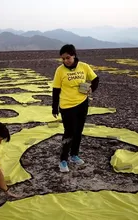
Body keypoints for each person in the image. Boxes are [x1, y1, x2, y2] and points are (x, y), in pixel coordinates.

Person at [52, 44, 99, 172]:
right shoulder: (60, 70)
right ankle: (63, 160)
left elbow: (95, 79)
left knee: (78, 131)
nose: (65, 61)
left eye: (68, 58)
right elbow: (56, 90)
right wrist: (54, 107)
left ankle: (74, 155)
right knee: (69, 132)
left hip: (82, 104)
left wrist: (91, 88)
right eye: (63, 59)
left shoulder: (84, 66)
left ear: (74, 55)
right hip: (67, 106)